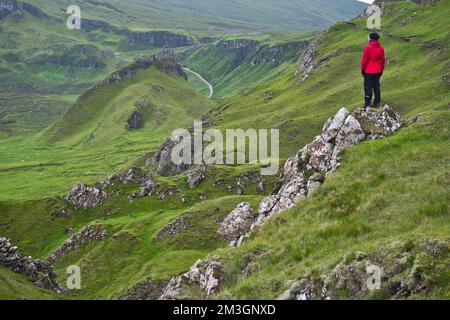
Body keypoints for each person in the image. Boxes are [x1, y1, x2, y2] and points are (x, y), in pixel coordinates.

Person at [361, 32, 385, 108]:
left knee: (368, 87)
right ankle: (377, 102)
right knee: (376, 86)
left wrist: (362, 70)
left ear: (371, 38)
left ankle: (367, 103)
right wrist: (381, 69)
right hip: (378, 70)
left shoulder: (367, 47)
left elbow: (364, 61)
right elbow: (382, 60)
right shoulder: (381, 48)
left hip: (369, 70)